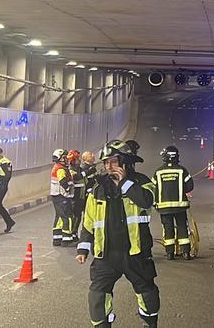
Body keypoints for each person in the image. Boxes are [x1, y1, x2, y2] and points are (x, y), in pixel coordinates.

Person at [77, 140, 160, 328]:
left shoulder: (141, 182)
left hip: (136, 254)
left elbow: (146, 201)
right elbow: (89, 221)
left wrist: (124, 183)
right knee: (97, 296)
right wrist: (83, 248)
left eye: (113, 161)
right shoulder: (98, 189)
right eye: (106, 163)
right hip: (106, 255)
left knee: (147, 293)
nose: (108, 166)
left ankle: (150, 323)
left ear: (125, 161)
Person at [154, 146, 194, 260]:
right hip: (180, 207)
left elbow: (153, 188)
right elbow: (190, 186)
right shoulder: (182, 171)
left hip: (164, 208)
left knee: (168, 229)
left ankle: (170, 253)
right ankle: (186, 252)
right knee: (182, 227)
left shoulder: (158, 172)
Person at [51, 149, 75, 246]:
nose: (66, 159)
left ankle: (57, 238)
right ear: (60, 159)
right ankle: (67, 239)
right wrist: (68, 188)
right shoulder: (60, 169)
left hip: (56, 196)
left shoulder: (57, 167)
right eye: (64, 157)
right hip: (62, 195)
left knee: (59, 216)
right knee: (67, 217)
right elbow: (63, 181)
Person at [67, 149, 86, 231]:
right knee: (74, 216)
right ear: (73, 160)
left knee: (78, 216)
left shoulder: (80, 169)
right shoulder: (70, 170)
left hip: (81, 196)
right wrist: (86, 172)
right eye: (78, 159)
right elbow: (76, 177)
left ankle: (74, 234)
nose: (79, 160)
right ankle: (71, 233)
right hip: (75, 198)